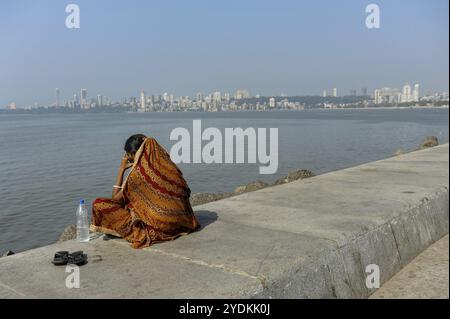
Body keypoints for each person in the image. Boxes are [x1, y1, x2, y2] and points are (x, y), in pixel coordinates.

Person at [91, 134, 200, 248]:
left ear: (135, 154)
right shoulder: (170, 168)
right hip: (183, 222)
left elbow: (115, 199)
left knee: (99, 204)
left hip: (157, 227)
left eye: (129, 155)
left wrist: (121, 169)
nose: (127, 158)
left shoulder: (137, 176)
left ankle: (134, 232)